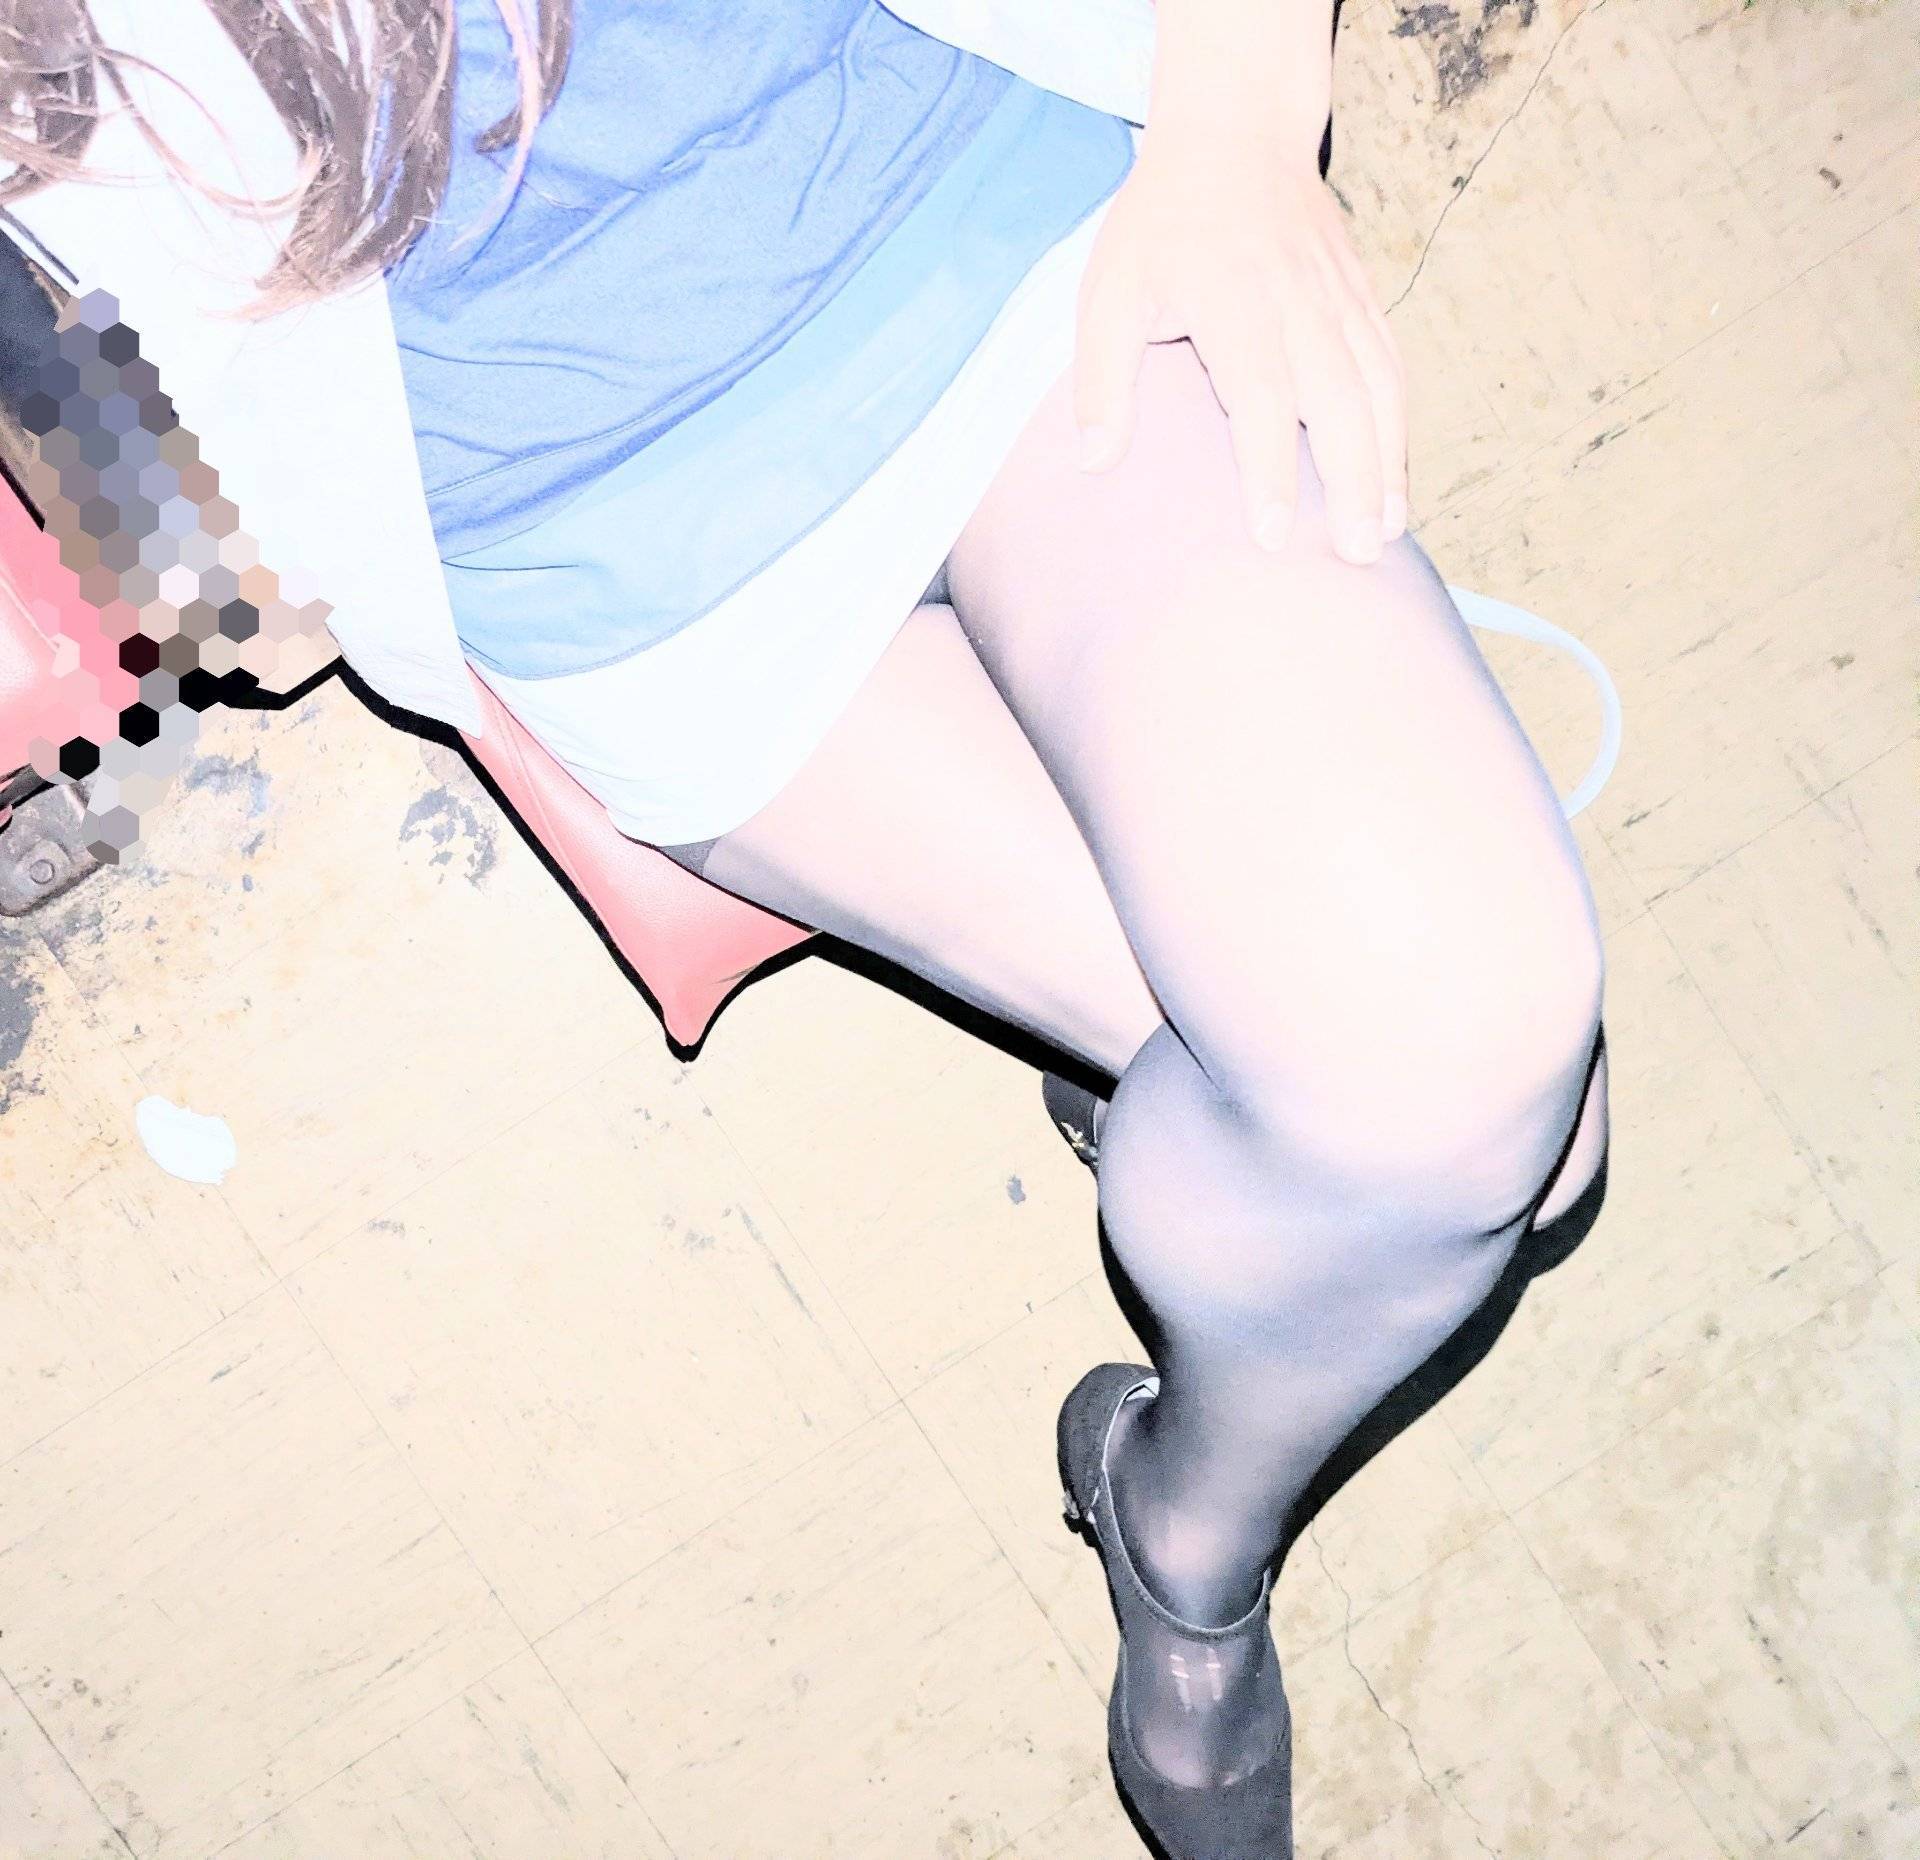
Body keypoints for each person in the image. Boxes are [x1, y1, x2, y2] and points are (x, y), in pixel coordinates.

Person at [1, 1, 1611, 1850]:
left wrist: (1240, 116)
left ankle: (1183, 1522)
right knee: (1501, 1153)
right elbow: (185, 545)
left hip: (989, 210)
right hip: (589, 521)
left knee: (1467, 1111)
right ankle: (1196, 1499)